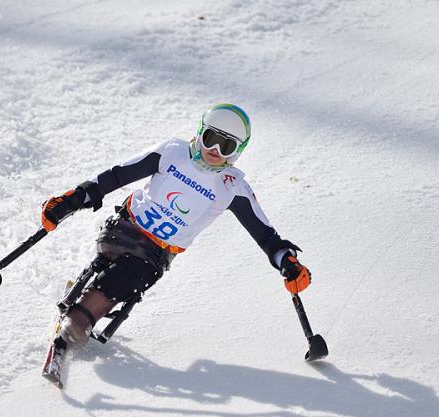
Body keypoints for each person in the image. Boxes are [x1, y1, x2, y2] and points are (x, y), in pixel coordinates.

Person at [41, 104, 312, 346]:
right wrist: (73, 199)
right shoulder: (172, 152)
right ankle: (79, 314)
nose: (214, 150)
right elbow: (117, 176)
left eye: (226, 146)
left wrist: (287, 262)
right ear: (200, 132)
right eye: (211, 139)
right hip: (122, 229)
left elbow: (265, 235)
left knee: (127, 278)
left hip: (153, 255)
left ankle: (78, 321)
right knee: (115, 262)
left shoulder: (232, 187)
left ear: (237, 151)